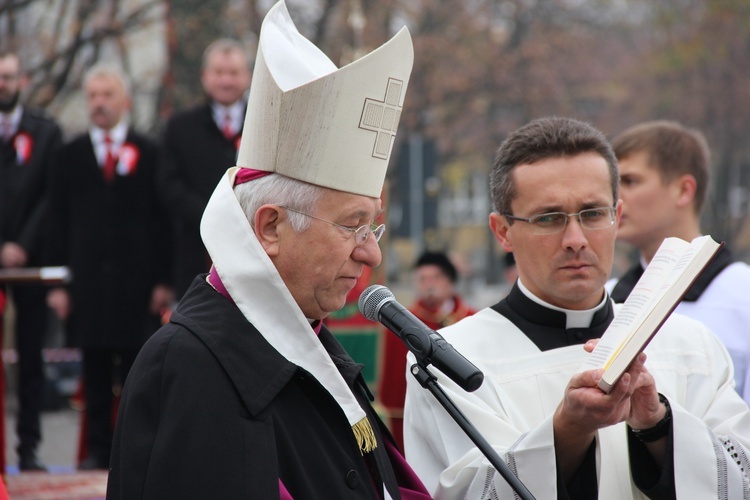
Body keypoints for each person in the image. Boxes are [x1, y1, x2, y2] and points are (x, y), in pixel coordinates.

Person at [107, 2, 429, 498]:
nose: (371, 256)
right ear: (272, 226)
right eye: (352, 226)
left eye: (373, 229)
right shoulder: (187, 366)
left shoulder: (311, 337)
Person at [403, 116, 750, 499]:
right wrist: (566, 432)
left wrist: (657, 427)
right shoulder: (450, 361)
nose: (575, 239)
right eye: (549, 218)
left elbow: (741, 479)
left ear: (617, 216)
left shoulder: (692, 346)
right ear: (502, 231)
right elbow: (463, 493)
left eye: (593, 213)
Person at [46, 63, 172, 470]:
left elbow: (164, 219)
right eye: (93, 96)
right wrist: (60, 283)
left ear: (125, 101)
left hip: (138, 289)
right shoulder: (69, 154)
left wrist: (163, 281)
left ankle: (135, 455)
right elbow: (57, 219)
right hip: (88, 288)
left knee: (138, 375)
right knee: (96, 376)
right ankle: (98, 453)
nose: (99, 104)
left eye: (107, 95)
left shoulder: (150, 152)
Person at [607, 120, 750, 403]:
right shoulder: (608, 297)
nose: (613, 198)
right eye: (611, 184)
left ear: (684, 190)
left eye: (631, 181)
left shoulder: (743, 295)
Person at [0, 50, 63, 471]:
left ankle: (29, 448)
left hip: (32, 263)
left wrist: (21, 244)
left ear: (21, 80)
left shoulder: (46, 132)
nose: (2, 84)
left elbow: (51, 196)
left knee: (32, 356)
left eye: (7, 76)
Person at [158, 37, 252, 299]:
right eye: (219, 73)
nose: (226, 81)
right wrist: (210, 216)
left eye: (233, 73)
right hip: (194, 254)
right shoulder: (180, 127)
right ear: (205, 76)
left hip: (253, 250)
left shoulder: (263, 124)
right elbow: (168, 184)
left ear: (247, 77)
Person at [379, 250, 476, 450]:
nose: (429, 284)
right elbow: (395, 383)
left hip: (466, 413)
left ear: (450, 281)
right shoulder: (401, 323)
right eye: (422, 279)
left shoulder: (472, 319)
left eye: (436, 277)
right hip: (419, 417)